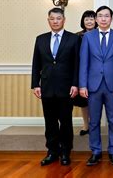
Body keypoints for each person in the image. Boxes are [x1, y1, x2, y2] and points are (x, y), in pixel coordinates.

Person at [31, 8, 80, 166]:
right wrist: (35, 84)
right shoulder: (40, 39)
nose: (55, 21)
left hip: (66, 88)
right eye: (52, 19)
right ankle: (52, 151)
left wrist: (75, 84)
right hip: (46, 87)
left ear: (63, 20)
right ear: (48, 20)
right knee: (50, 122)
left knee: (65, 122)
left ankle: (65, 151)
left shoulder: (73, 39)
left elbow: (77, 64)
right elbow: (36, 64)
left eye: (58, 18)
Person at [79, 6, 113, 166]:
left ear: (111, 19)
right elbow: (83, 63)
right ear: (96, 19)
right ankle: (96, 152)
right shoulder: (88, 37)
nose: (103, 19)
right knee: (93, 121)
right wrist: (82, 85)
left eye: (107, 16)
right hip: (93, 86)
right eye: (100, 16)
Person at [74, 10, 98, 137]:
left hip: (97, 72)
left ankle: (95, 124)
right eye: (86, 19)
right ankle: (86, 125)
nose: (89, 21)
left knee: (96, 100)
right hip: (82, 72)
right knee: (84, 101)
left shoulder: (101, 34)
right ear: (83, 21)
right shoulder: (77, 36)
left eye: (91, 19)